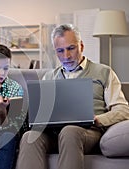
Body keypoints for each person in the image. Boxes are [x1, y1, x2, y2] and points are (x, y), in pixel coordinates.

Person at [16, 24, 129, 169]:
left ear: (81, 46)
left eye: (71, 48)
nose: (66, 56)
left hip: (87, 133)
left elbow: (123, 110)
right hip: (53, 133)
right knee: (29, 137)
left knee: (69, 131)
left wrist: (99, 120)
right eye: (60, 51)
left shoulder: (104, 72)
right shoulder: (49, 77)